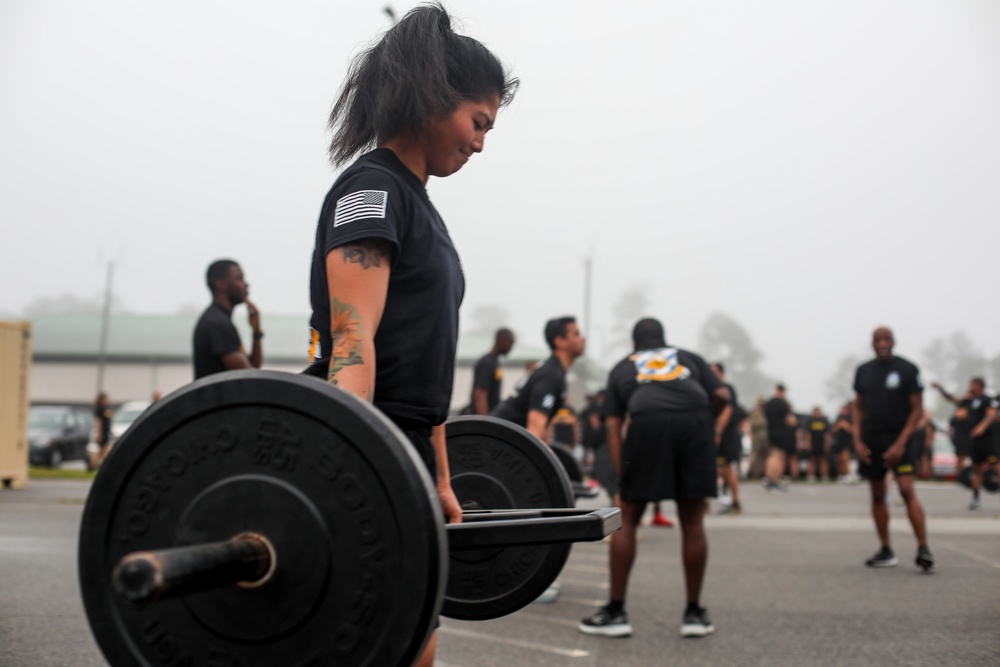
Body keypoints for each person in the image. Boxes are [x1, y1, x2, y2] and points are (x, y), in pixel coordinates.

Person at [302, 6, 517, 666]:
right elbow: (353, 342)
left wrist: (442, 476)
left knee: (414, 642)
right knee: (375, 642)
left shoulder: (421, 207)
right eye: (477, 122)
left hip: (407, 448)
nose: (481, 143)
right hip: (367, 445)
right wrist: (352, 476)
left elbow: (427, 368)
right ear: (432, 100)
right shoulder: (372, 190)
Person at [579, 318, 729, 639]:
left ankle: (616, 611)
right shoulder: (688, 357)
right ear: (665, 340)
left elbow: (613, 427)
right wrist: (706, 420)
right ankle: (694, 614)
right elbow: (722, 395)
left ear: (635, 344)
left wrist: (622, 479)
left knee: (629, 518)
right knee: (692, 520)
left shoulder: (623, 366)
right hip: (695, 420)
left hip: (649, 423)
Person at [852, 327, 934, 571]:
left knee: (907, 490)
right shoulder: (863, 371)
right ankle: (886, 550)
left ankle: (923, 548)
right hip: (871, 439)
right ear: (872, 343)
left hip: (901, 439)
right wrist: (857, 440)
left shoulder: (908, 369)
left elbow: (917, 409)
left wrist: (900, 443)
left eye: (886, 339)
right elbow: (857, 406)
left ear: (894, 342)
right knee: (877, 494)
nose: (882, 343)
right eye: (877, 340)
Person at [192, 259, 263, 379]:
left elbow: (252, 366)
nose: (246, 284)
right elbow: (249, 378)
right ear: (221, 285)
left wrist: (256, 332)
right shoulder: (217, 323)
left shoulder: (219, 319)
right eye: (239, 278)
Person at [711, 363, 742, 514]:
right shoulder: (712, 389)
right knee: (722, 470)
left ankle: (736, 503)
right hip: (719, 436)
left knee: (727, 469)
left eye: (714, 371)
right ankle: (731, 502)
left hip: (726, 436)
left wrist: (718, 432)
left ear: (722, 373)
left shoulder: (726, 389)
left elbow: (727, 411)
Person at [467, 328, 515, 415]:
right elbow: (480, 394)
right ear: (500, 340)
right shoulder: (487, 363)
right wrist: (485, 422)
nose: (511, 347)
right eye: (510, 343)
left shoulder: (495, 363)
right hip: (481, 418)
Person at [763, 385, 793, 491]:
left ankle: (768, 478)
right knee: (779, 456)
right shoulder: (783, 403)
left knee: (772, 455)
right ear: (783, 391)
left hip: (771, 431)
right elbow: (790, 420)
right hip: (780, 432)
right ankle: (775, 480)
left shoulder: (769, 403)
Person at [805, 407, 831, 481]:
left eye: (818, 413)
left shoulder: (824, 421)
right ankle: (810, 476)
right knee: (811, 460)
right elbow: (808, 434)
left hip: (822, 444)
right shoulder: (810, 421)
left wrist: (827, 444)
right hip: (813, 444)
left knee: (823, 460)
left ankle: (824, 476)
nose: (817, 414)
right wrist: (808, 444)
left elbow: (827, 434)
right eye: (815, 413)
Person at [831, 403, 855, 482]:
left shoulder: (850, 418)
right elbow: (833, 430)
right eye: (841, 410)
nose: (842, 411)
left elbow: (853, 430)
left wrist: (846, 426)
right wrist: (838, 426)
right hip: (839, 442)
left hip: (847, 442)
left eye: (844, 410)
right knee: (839, 459)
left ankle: (848, 475)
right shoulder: (838, 418)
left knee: (845, 458)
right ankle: (841, 475)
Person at [91, 392, 112, 468]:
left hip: (105, 431)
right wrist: (99, 433)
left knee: (102, 450)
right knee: (104, 449)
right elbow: (98, 422)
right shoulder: (100, 409)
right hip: (102, 432)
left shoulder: (105, 408)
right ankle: (94, 464)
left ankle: (93, 464)